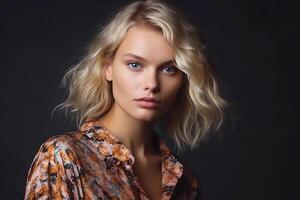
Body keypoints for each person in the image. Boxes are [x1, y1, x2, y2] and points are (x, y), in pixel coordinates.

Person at [24, 0, 227, 199]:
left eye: (169, 69)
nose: (152, 84)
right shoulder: (62, 158)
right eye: (135, 65)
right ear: (108, 68)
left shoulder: (184, 181)